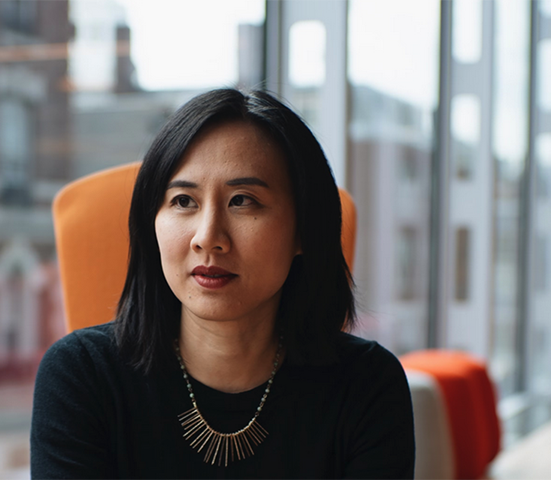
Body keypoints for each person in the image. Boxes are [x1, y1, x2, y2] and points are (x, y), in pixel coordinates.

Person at [30, 89, 415, 479]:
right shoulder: (81, 376)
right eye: (183, 201)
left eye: (243, 200)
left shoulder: (367, 386)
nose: (208, 237)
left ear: (304, 229)